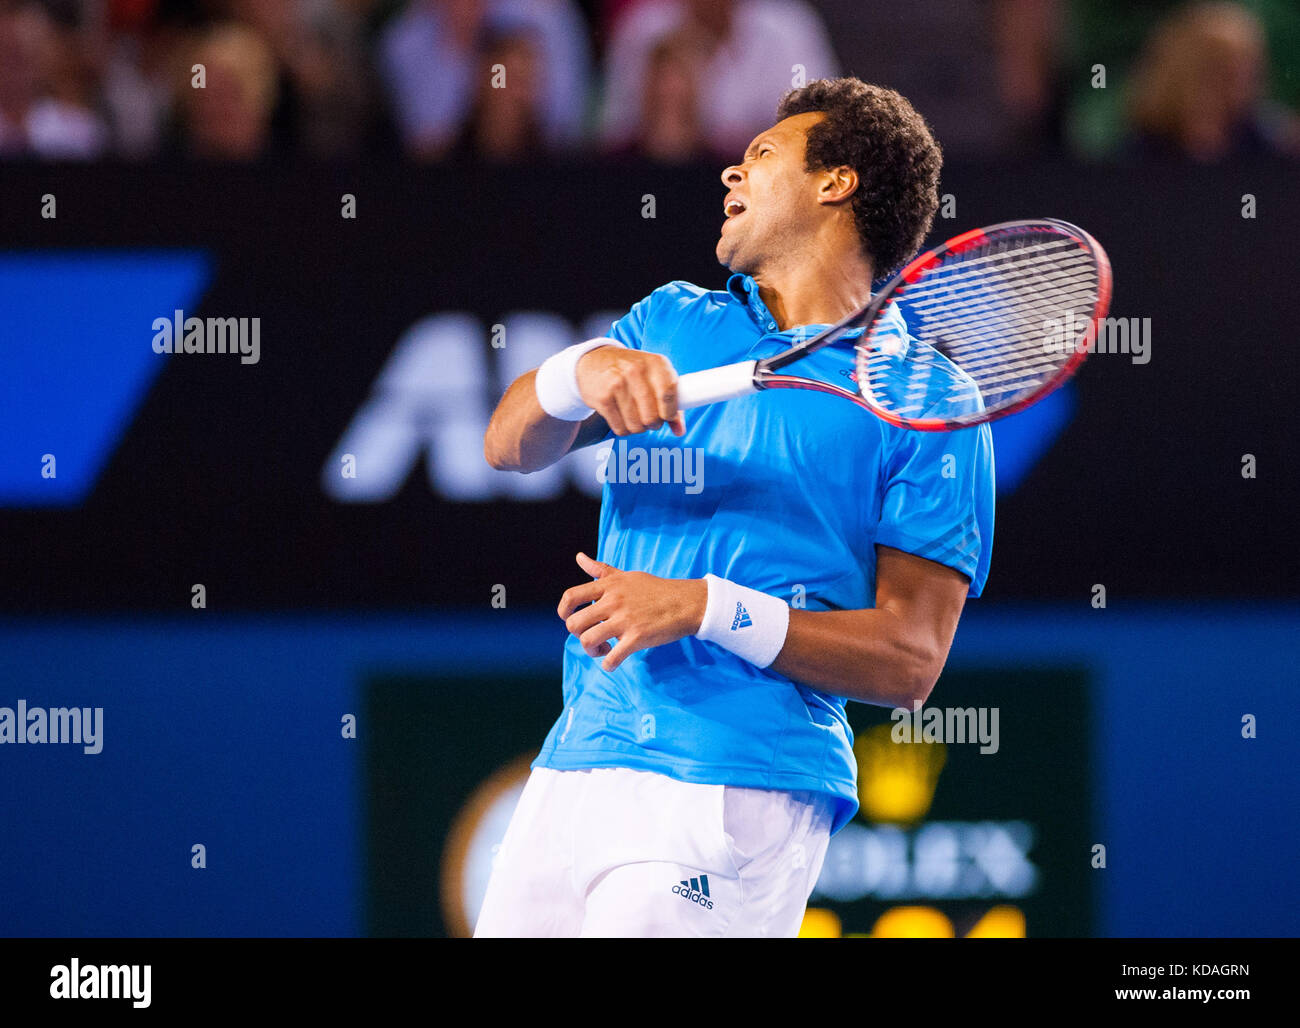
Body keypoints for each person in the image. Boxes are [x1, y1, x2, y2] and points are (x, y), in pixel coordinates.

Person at [479, 77, 994, 937]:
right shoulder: (671, 322)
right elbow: (507, 445)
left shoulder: (930, 399)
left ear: (837, 184)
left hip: (739, 782)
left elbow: (910, 660)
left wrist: (708, 608)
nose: (731, 171)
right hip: (577, 764)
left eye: (762, 154)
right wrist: (581, 373)